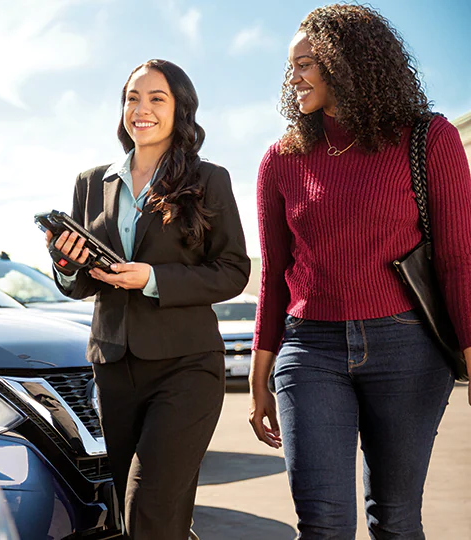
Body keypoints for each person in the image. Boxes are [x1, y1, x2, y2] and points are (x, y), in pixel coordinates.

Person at [248, 4, 471, 538]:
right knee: (321, 523)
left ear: (346, 61)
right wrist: (261, 376)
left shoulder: (428, 138)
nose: (293, 77)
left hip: (407, 350)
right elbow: (276, 273)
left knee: (394, 519)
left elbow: (459, 259)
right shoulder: (280, 159)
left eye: (305, 63)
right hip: (310, 351)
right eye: (290, 66)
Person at [46, 59, 250, 540]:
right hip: (114, 365)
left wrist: (154, 278)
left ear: (179, 109)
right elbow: (79, 284)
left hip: (187, 365)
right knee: (146, 512)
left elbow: (233, 270)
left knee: (149, 501)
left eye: (156, 98)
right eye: (132, 98)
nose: (141, 109)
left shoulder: (208, 178)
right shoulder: (92, 182)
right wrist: (67, 264)